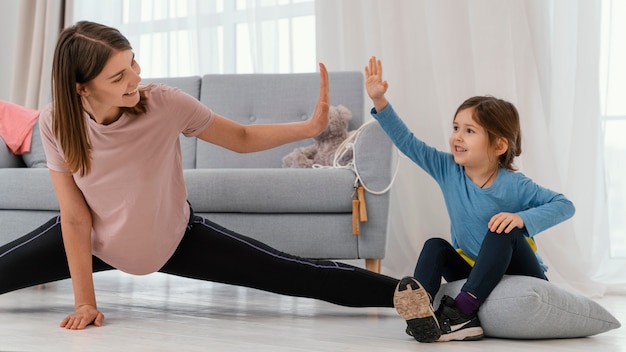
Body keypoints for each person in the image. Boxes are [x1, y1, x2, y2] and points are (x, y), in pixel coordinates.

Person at [0, 21, 402, 331]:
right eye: (118, 76)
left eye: (132, 63)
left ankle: (412, 295)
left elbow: (241, 137)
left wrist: (308, 127)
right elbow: (73, 215)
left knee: (293, 273)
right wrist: (85, 302)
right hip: (93, 243)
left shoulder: (165, 104)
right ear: (81, 89)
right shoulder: (57, 122)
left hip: (175, 238)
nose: (134, 77)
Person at [364, 56, 575, 343]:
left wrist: (521, 219)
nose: (457, 137)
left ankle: (462, 313)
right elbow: (408, 142)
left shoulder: (514, 184)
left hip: (520, 271)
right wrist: (380, 101)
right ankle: (421, 308)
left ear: (499, 145)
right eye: (455, 128)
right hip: (472, 270)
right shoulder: (447, 168)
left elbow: (565, 205)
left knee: (504, 230)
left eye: (469, 131)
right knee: (435, 246)